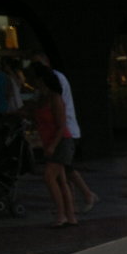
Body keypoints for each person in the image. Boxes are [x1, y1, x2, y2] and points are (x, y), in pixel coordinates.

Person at [32, 53, 98, 211]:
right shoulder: (49, 82)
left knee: (64, 168)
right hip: (61, 130)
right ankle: (74, 201)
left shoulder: (54, 81)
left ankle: (83, 196)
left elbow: (57, 107)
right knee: (63, 170)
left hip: (64, 130)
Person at [29, 61, 77, 226]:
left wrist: (52, 146)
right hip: (53, 141)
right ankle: (69, 216)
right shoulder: (43, 98)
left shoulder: (54, 98)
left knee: (49, 177)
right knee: (60, 180)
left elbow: (61, 125)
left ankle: (62, 214)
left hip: (60, 141)